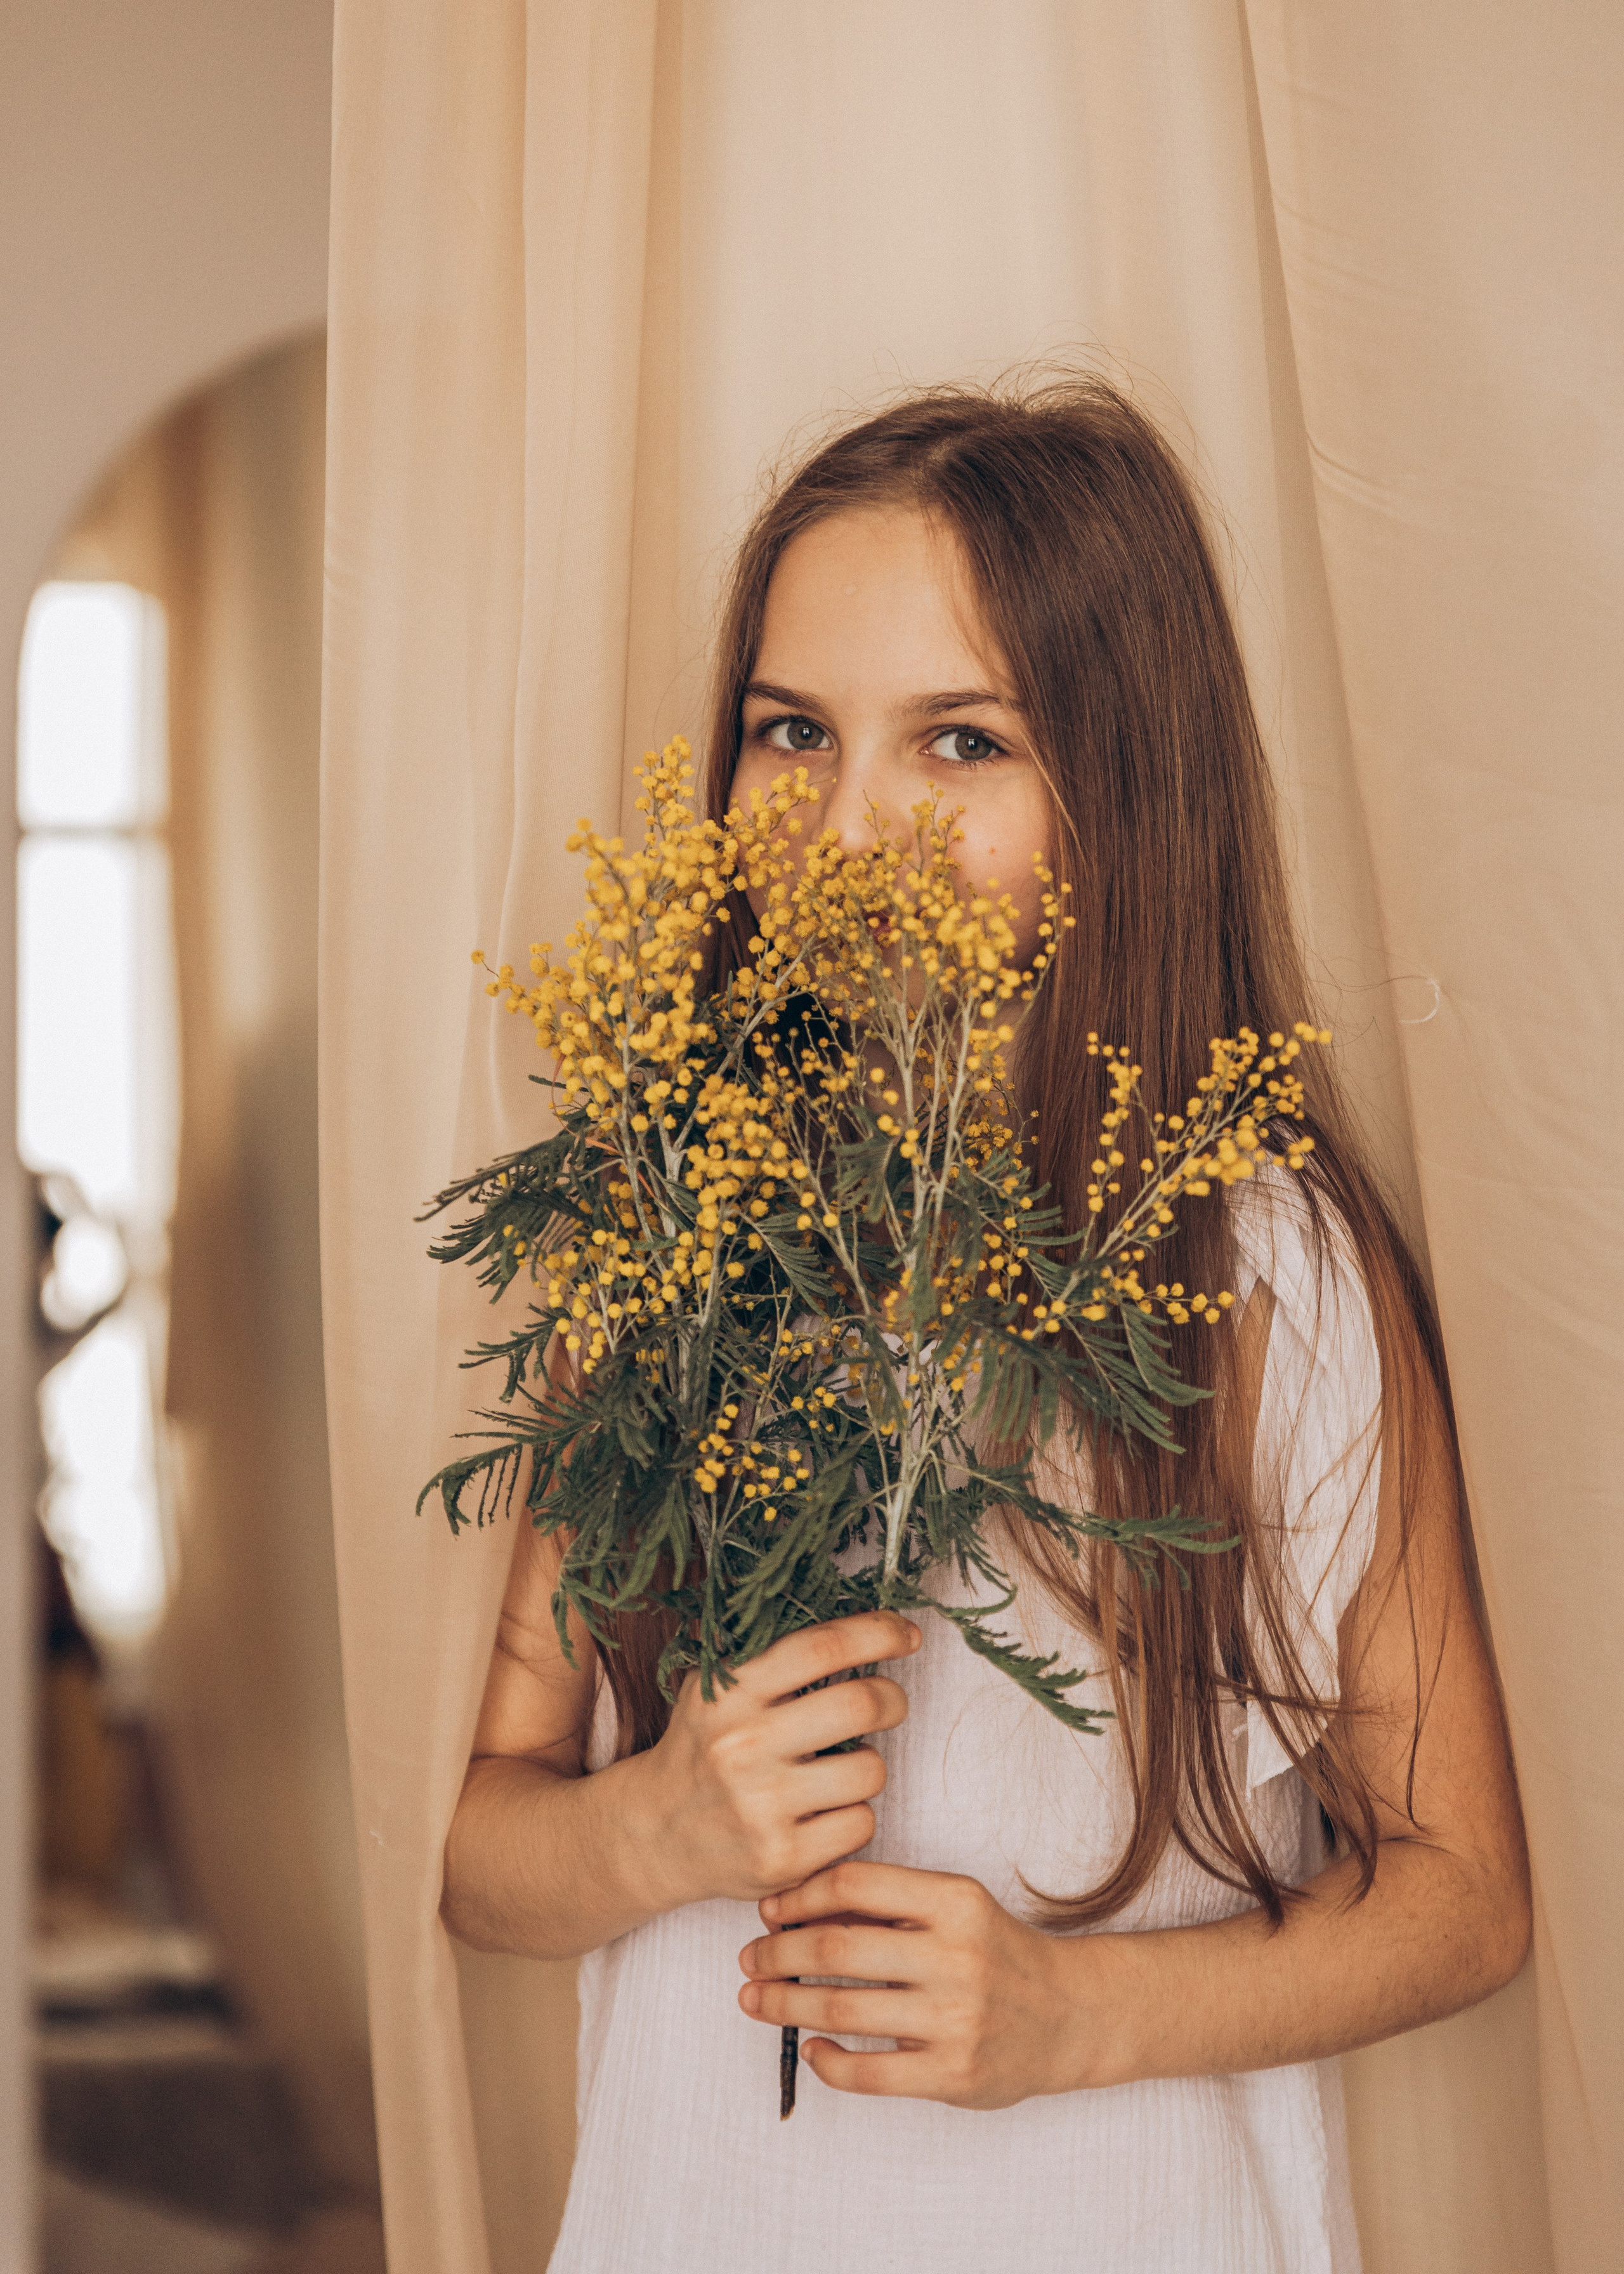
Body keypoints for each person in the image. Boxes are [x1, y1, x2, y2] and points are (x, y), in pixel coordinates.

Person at [440, 378, 1529, 2273]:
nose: (855, 824)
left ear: (1120, 790)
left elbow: (1464, 1899)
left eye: (960, 741)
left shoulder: (1272, 1288)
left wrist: (1075, 2016)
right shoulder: (668, 1242)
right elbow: (479, 1851)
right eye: (792, 732)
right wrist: (666, 1829)